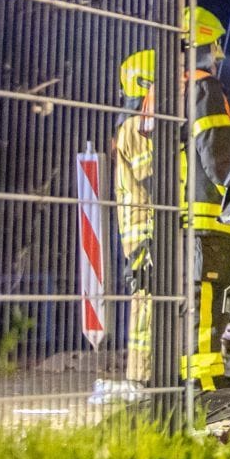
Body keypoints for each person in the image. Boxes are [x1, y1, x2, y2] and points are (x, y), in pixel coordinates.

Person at [180, 6, 230, 392]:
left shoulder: (169, 92)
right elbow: (218, 157)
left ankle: (190, 375)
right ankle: (204, 380)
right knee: (208, 299)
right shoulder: (205, 90)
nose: (219, 53)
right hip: (208, 220)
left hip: (182, 218)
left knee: (192, 301)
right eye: (215, 44)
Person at [91, 50, 158, 405]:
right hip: (147, 230)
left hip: (139, 230)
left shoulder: (128, 125)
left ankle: (143, 375)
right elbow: (154, 176)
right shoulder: (136, 127)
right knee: (147, 305)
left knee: (146, 302)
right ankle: (142, 377)